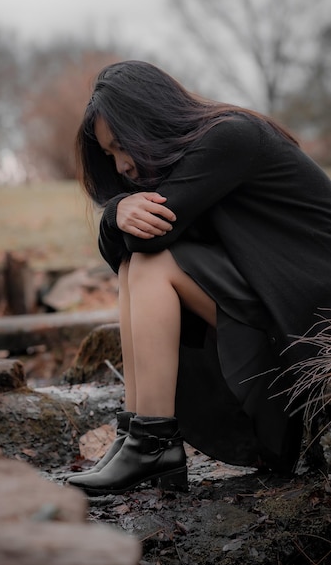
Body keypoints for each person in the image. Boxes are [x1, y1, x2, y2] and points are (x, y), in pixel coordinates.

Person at [66, 59, 331, 497]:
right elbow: (122, 257)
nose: (120, 166)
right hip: (271, 304)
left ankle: (151, 444)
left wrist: (116, 213)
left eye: (120, 146)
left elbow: (153, 240)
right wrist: (117, 214)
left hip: (308, 322)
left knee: (153, 262)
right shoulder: (192, 159)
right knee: (139, 266)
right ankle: (137, 433)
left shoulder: (231, 137)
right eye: (110, 155)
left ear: (146, 120)